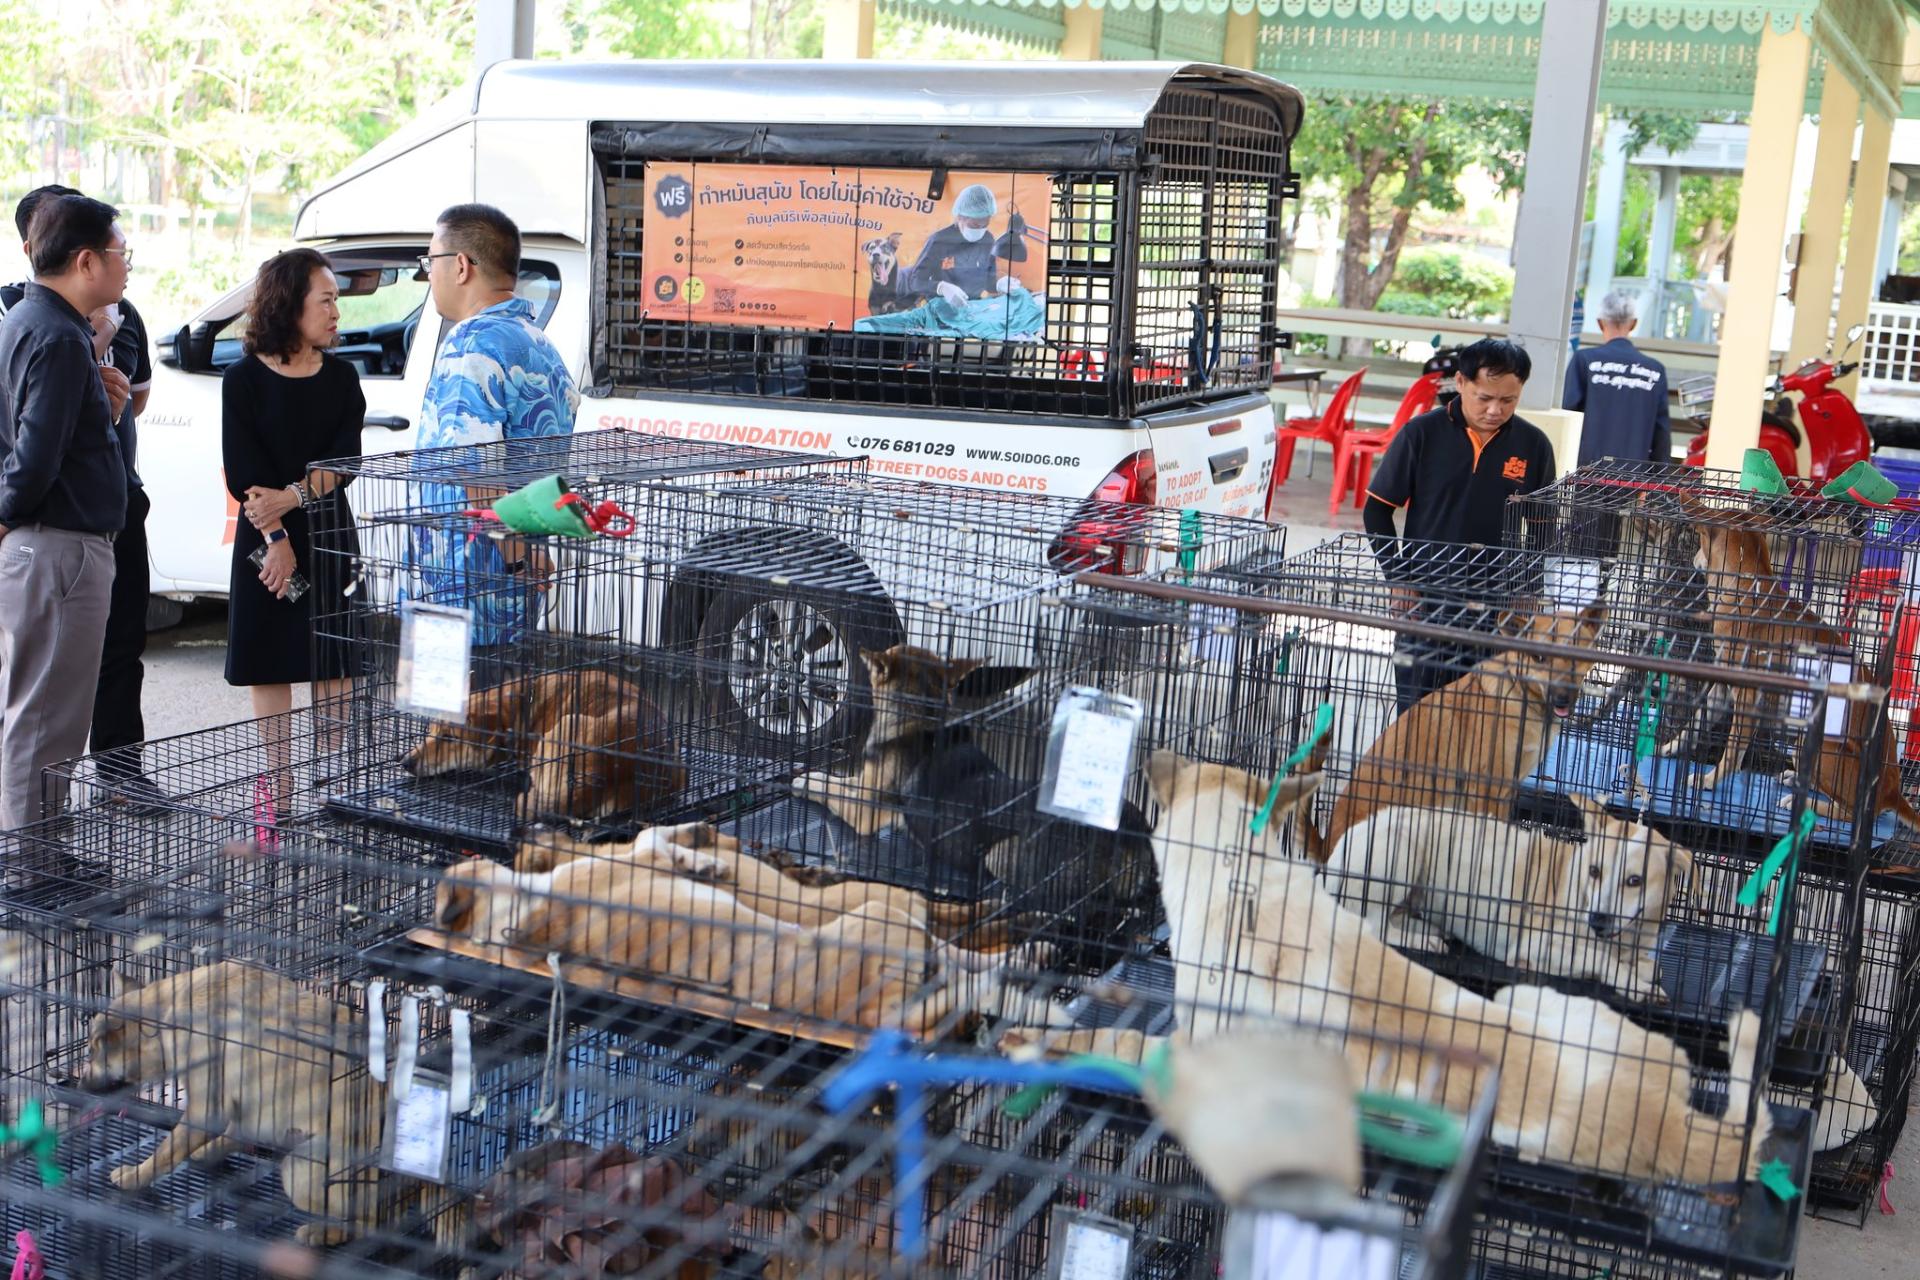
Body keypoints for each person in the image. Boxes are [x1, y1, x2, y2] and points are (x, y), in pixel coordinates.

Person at [3, 185, 162, 811]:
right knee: (46, 715)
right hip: (60, 544)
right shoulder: (61, 337)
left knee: (48, 712)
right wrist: (6, 515)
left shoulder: (31, 320)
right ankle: (29, 856)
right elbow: (34, 458)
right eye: (122, 253)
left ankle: (38, 845)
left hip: (54, 541)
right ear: (86, 261)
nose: (128, 266)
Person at [222, 249, 365, 818]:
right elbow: (245, 475)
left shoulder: (342, 377)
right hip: (265, 538)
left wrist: (296, 496)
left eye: (335, 301)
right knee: (271, 658)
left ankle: (330, 786)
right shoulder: (243, 379)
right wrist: (278, 539)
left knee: (334, 659)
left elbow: (346, 461)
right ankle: (277, 791)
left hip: (329, 533)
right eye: (325, 300)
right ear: (289, 305)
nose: (336, 312)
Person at [409, 203, 577, 670]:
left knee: (457, 713)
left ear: (461, 265)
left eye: (431, 261)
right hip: (517, 580)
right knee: (508, 705)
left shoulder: (471, 345)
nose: (428, 274)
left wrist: (517, 557)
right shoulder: (539, 342)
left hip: (464, 583)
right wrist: (528, 555)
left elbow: (474, 468)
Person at [1363, 338, 1557, 713]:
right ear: (1461, 382)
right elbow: (1377, 511)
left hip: (1496, 605)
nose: (1495, 410)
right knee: (1419, 714)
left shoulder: (1534, 445)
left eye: (1509, 400)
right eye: (1484, 398)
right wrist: (1399, 579)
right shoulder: (1421, 434)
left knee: (1483, 716)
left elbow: (1541, 529)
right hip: (1428, 598)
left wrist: (1527, 588)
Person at [1564, 289, 1671, 467]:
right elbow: (1662, 432)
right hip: (1633, 476)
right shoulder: (1655, 370)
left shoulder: (1584, 360)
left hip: (1585, 473)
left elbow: (1568, 412)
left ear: (1600, 323)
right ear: (1634, 323)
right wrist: (1660, 477)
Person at [899, 183, 1029, 306]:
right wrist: (941, 287)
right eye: (974, 225)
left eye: (985, 224)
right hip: (941, 307)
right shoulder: (939, 241)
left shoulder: (988, 240)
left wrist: (1001, 283)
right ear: (960, 217)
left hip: (972, 307)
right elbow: (915, 281)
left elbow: (988, 283)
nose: (980, 229)